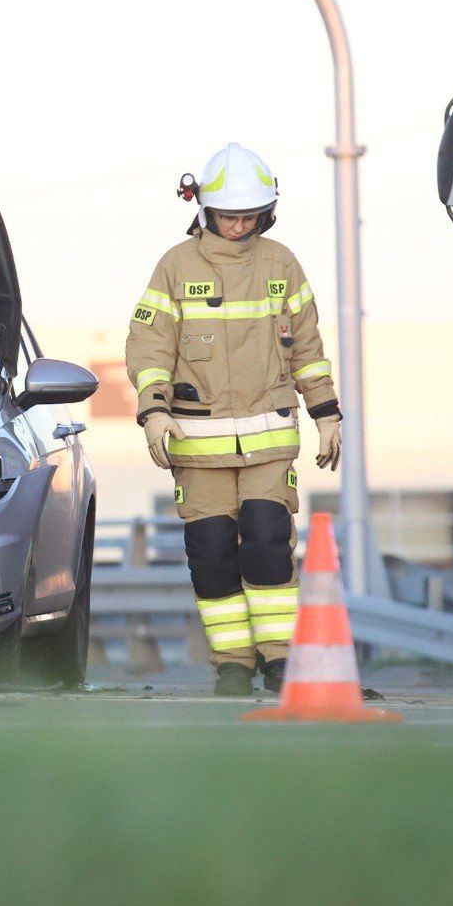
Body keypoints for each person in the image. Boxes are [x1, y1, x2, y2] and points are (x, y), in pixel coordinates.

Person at [123, 143, 342, 697]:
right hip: (198, 444)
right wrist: (153, 410)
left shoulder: (281, 264)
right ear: (204, 210)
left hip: (269, 438)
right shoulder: (175, 266)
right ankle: (233, 665)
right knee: (212, 554)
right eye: (229, 215)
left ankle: (280, 660)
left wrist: (327, 413)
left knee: (269, 542)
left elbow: (308, 348)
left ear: (266, 211)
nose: (239, 224)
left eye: (249, 215)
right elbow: (149, 345)